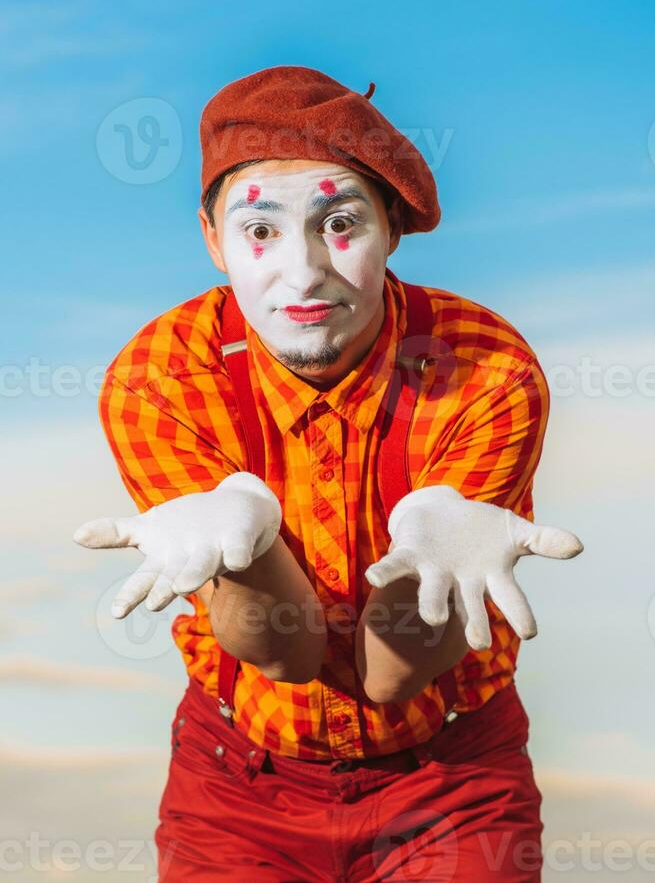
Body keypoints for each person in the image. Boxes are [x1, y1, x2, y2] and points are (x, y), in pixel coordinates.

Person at [74, 66, 583, 882]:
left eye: (339, 223)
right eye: (261, 232)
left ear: (391, 227)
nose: (304, 273)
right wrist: (246, 538)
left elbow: (392, 675)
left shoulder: (485, 367)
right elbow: (284, 655)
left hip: (451, 776)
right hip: (238, 782)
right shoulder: (161, 376)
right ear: (212, 240)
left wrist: (433, 553)